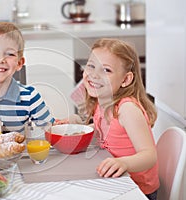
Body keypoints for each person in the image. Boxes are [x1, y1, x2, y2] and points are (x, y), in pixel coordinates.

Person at [57, 38, 159, 200]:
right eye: (91, 66)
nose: (94, 75)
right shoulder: (102, 101)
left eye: (106, 70)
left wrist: (124, 163)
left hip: (138, 189)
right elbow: (105, 131)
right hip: (115, 180)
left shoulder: (127, 110)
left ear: (125, 79)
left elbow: (149, 156)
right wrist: (78, 123)